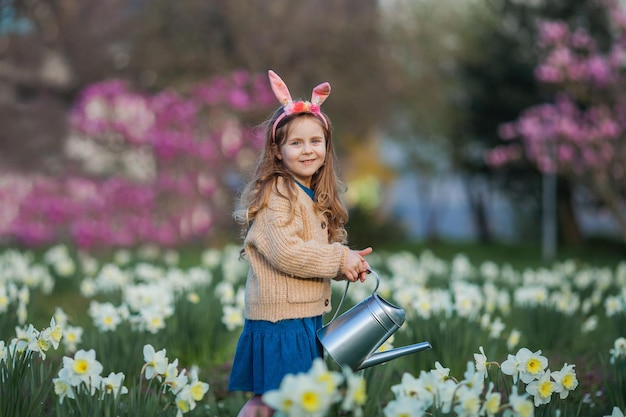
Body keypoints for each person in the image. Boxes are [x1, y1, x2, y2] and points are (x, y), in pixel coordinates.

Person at [228, 70, 373, 417]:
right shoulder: (277, 194)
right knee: (272, 401)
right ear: (277, 151)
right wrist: (338, 259)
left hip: (305, 318)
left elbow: (311, 255)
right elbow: (287, 252)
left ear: (326, 146)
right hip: (281, 322)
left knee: (290, 400)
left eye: (315, 141)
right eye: (296, 143)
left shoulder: (312, 195)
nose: (307, 150)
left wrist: (346, 265)